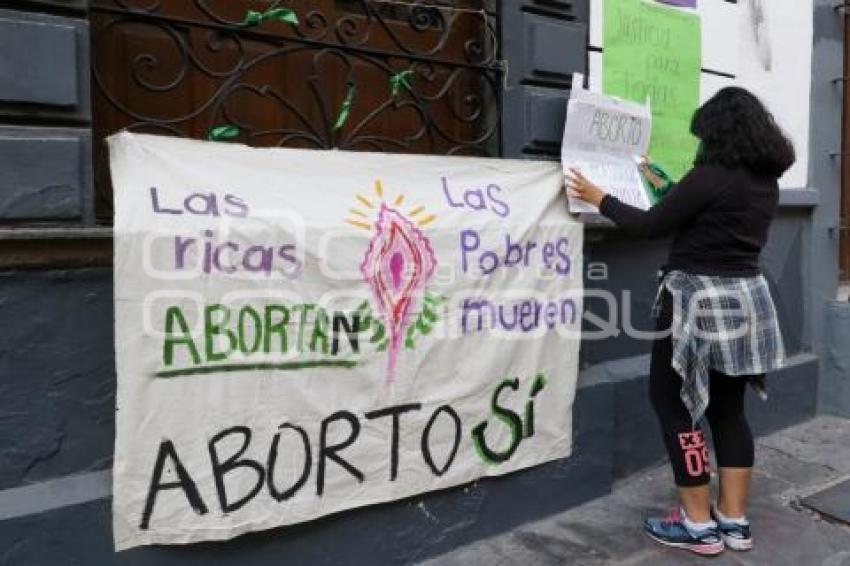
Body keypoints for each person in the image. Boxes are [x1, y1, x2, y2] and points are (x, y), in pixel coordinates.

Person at [565, 86, 794, 557]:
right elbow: (708, 217)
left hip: (696, 302)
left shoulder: (710, 176)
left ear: (717, 131)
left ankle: (696, 525)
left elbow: (651, 226)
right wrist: (665, 185)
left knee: (675, 406)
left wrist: (598, 196)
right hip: (746, 299)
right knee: (728, 412)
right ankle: (734, 521)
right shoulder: (763, 181)